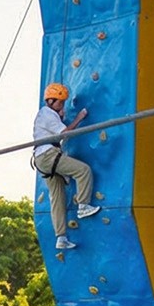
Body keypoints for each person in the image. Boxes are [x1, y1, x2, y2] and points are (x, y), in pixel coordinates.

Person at [32, 82, 102, 254]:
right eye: (60, 103)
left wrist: (61, 116)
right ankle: (83, 205)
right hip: (49, 156)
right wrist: (80, 117)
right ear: (50, 101)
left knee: (57, 198)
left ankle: (61, 237)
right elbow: (65, 134)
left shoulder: (46, 114)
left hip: (41, 159)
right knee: (83, 170)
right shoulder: (48, 114)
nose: (62, 106)